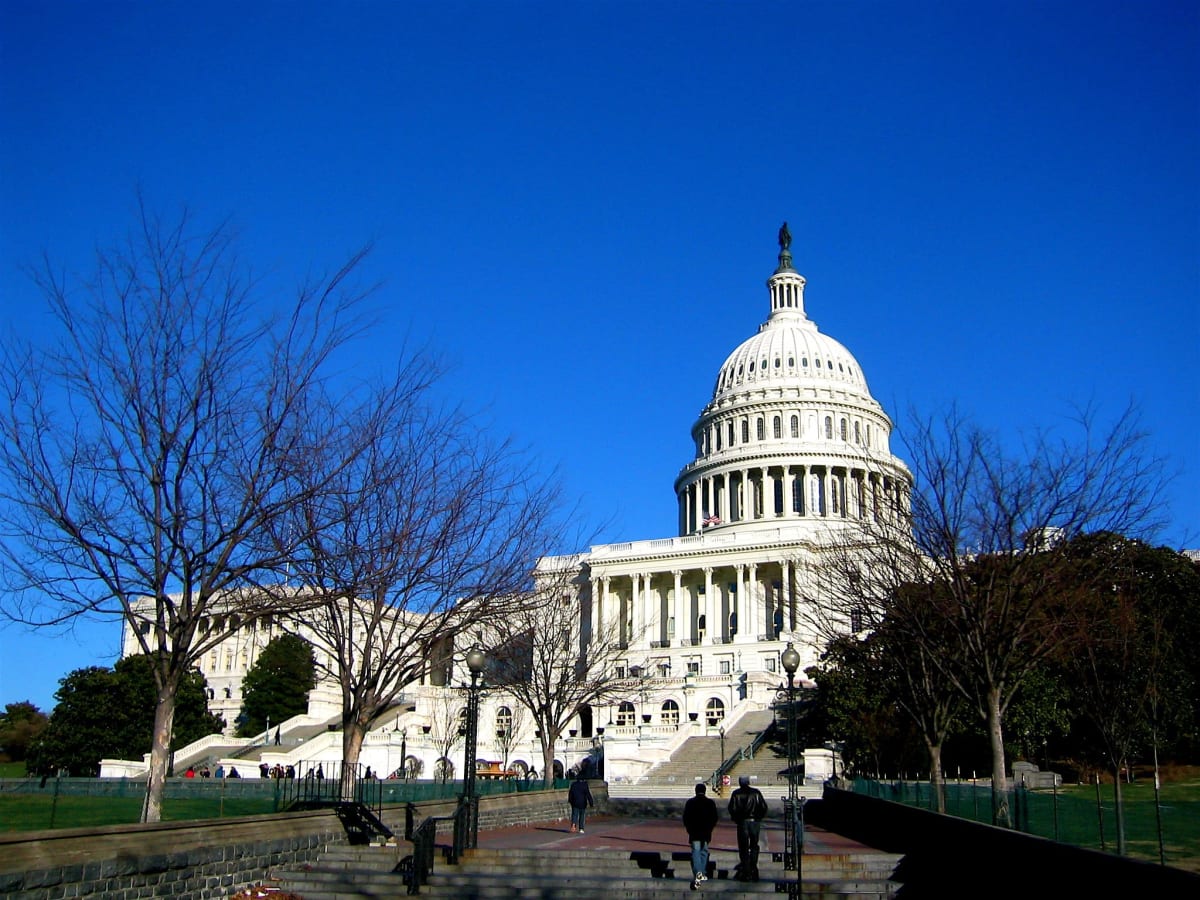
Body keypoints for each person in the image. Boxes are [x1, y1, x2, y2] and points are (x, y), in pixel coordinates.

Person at [727, 775, 768, 881]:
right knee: (754, 845)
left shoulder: (736, 793)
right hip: (754, 821)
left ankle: (746, 869)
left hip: (742, 822)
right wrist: (758, 817)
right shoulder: (756, 793)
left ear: (740, 783)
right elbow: (763, 807)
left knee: (743, 847)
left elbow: (732, 808)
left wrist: (737, 819)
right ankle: (753, 866)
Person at [683, 783, 719, 889]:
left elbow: (686, 818)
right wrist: (710, 828)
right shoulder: (710, 803)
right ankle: (702, 871)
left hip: (694, 832)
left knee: (696, 852)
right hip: (706, 832)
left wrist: (689, 829)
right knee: (704, 851)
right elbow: (714, 818)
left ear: (695, 790)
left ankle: (698, 872)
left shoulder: (690, 802)